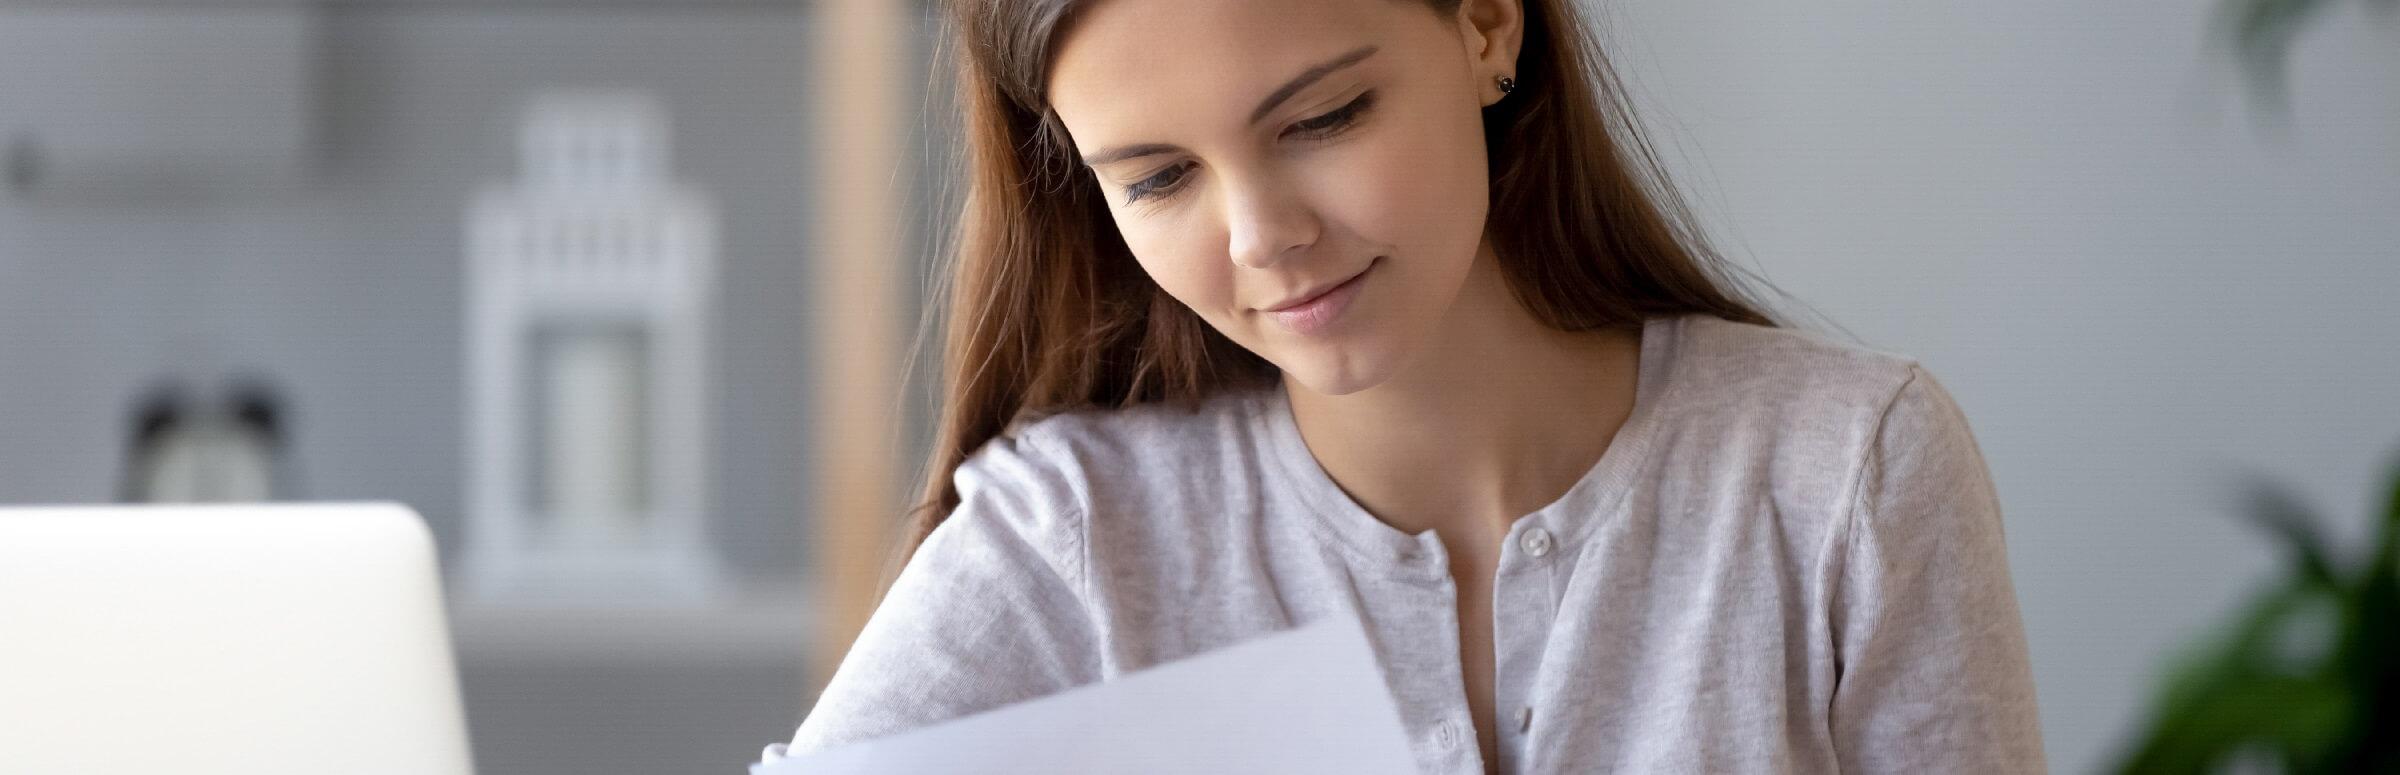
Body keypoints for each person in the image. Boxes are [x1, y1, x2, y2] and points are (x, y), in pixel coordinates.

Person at [762, 0, 2047, 771]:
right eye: (1157, 179)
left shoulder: (1844, 474)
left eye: (1322, 119)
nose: (1260, 235)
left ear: (1488, 25)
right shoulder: (1075, 534)